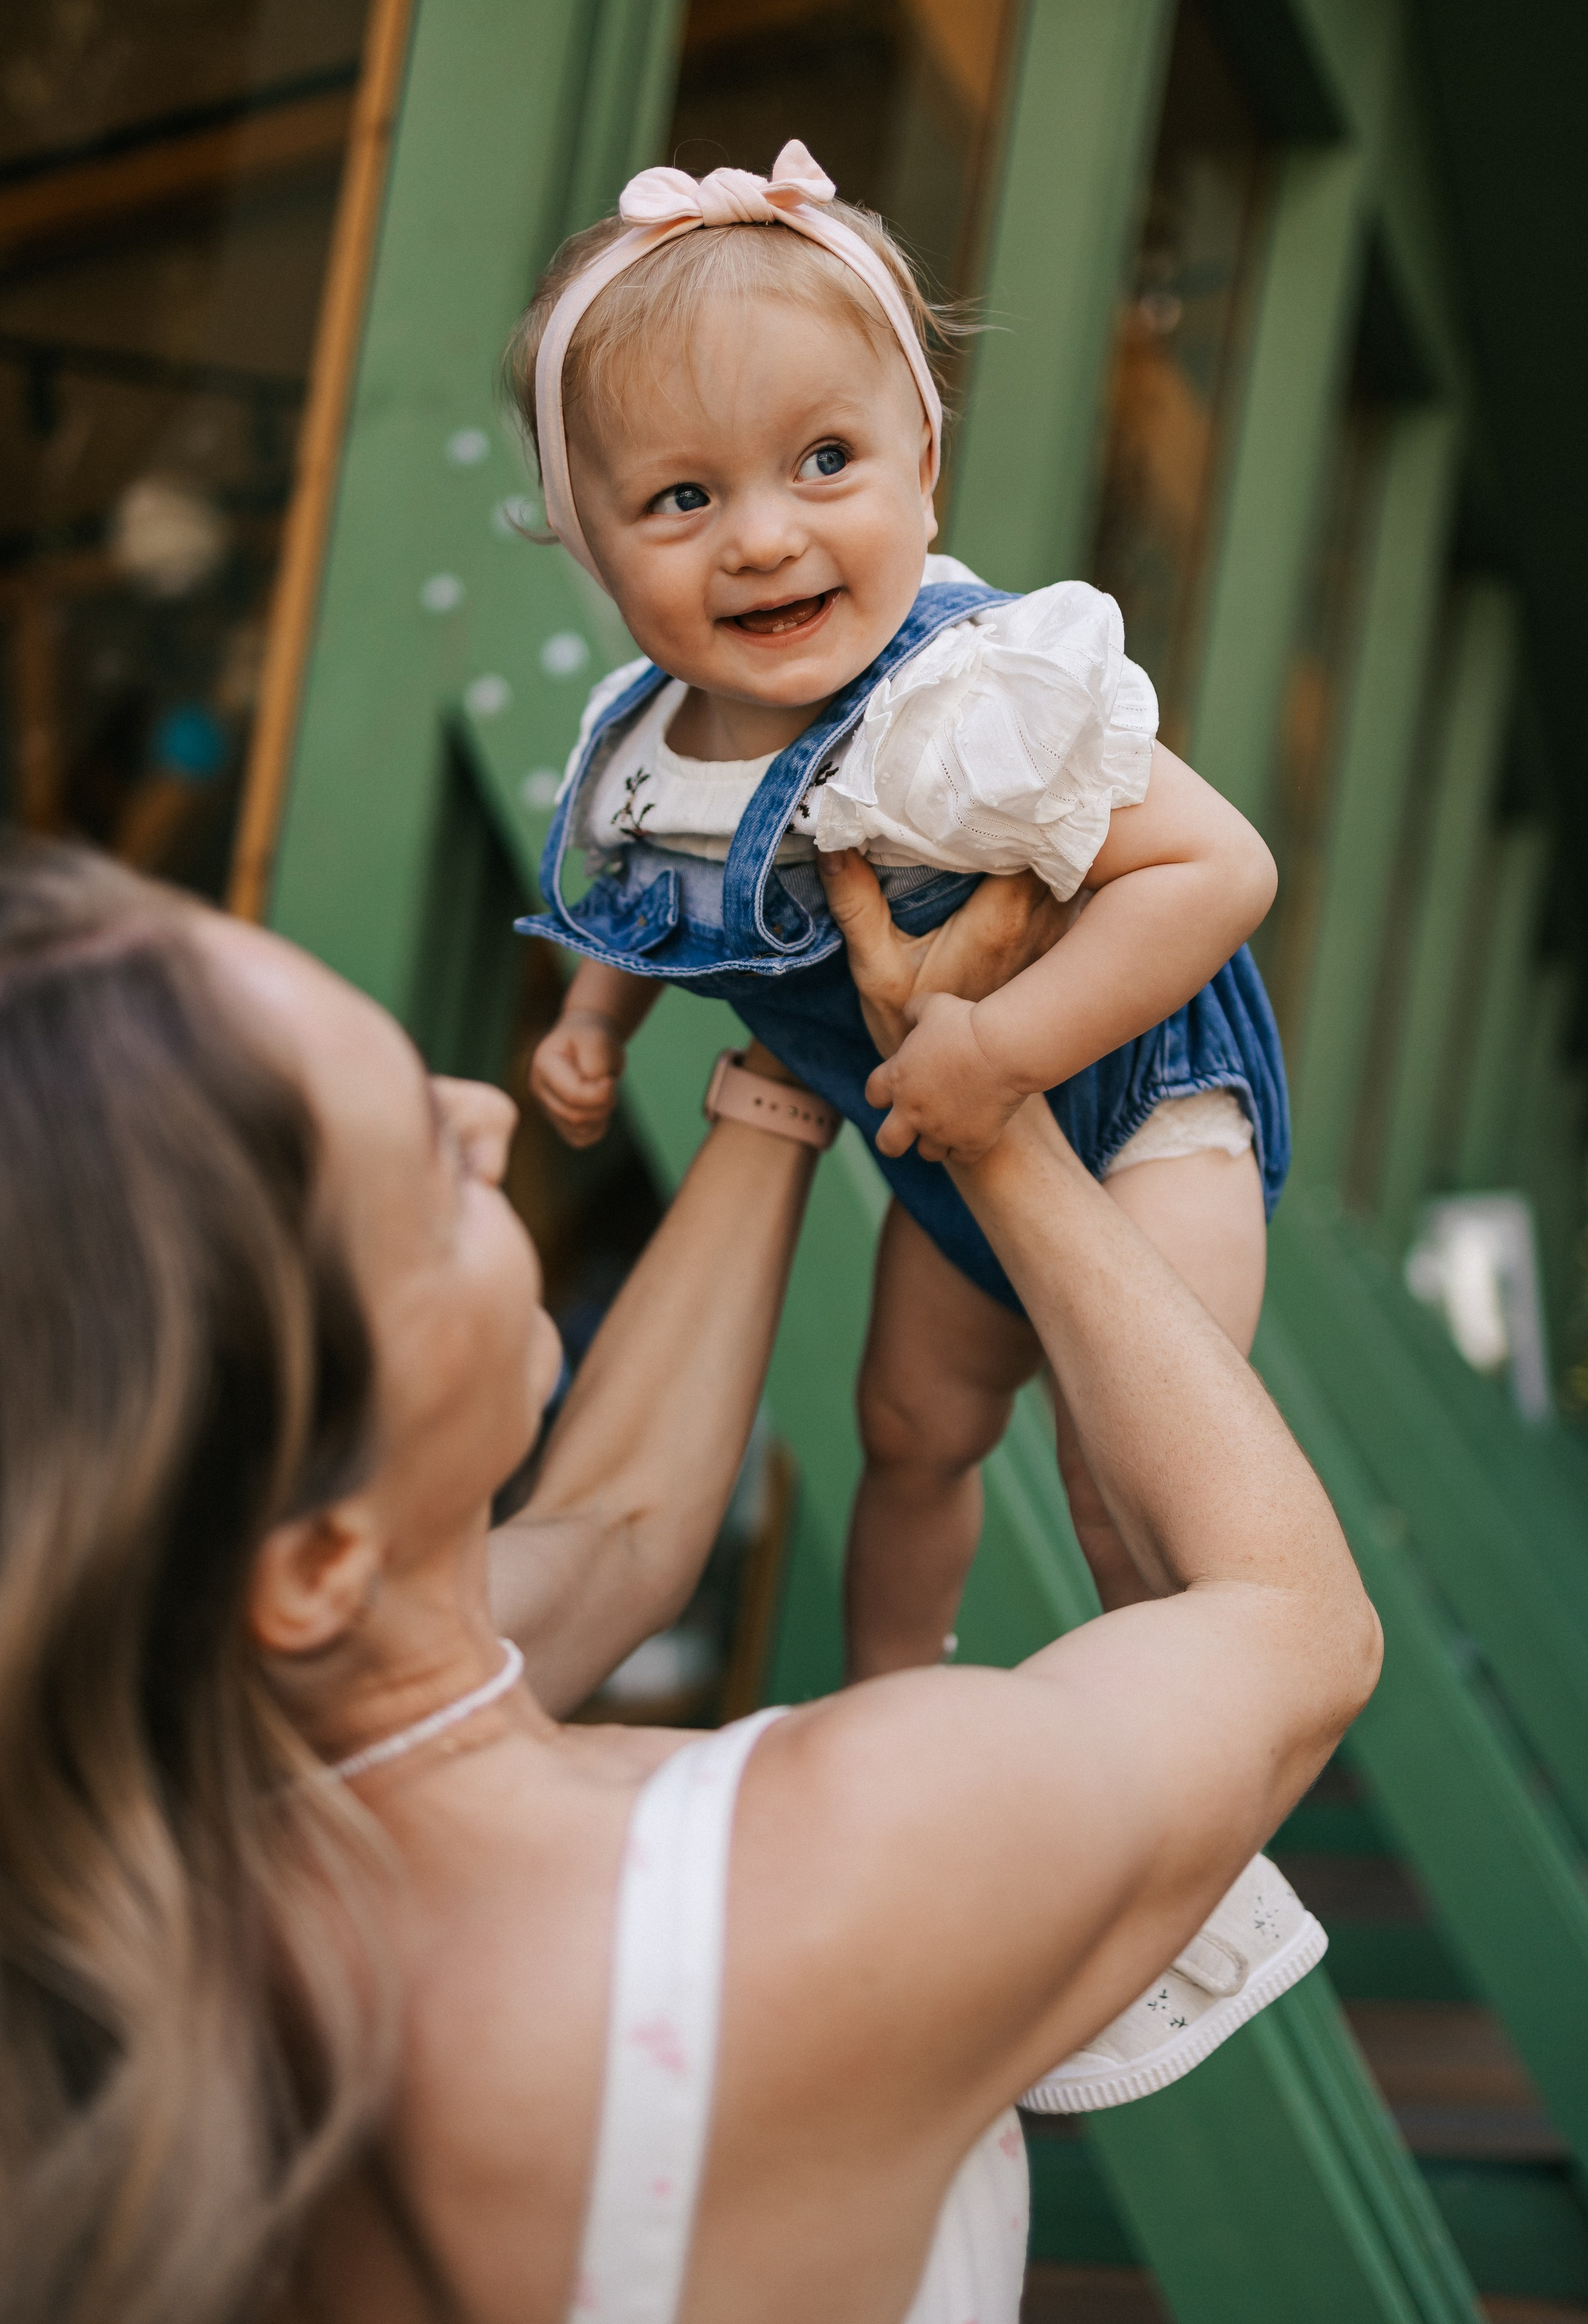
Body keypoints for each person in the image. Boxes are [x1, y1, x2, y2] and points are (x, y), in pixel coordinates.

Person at [0, 836, 1379, 2324]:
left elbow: (618, 1529)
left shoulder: (144, 1818)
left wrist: (794, 1021)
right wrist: (987, 1114)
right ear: (322, 1556)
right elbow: (1285, 1620)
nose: (478, 1112)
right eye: (422, 1171)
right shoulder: (831, 1874)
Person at [512, 143, 1287, 1694]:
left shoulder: (963, 704)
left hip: (1135, 1108)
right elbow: (648, 901)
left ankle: (1191, 1805)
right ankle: (886, 1701)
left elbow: (1217, 871)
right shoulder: (648, 744)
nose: (761, 535)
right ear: (590, 546)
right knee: (909, 1432)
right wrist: (593, 1026)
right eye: (681, 496)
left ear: (921, 472)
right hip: (934, 1135)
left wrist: (1004, 1051)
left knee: (1123, 1477)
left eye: (822, 462)